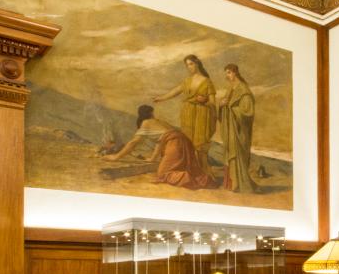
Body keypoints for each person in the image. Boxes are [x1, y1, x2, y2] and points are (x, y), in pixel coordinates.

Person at [103, 105, 214, 189]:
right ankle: (198, 178)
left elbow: (133, 142)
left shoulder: (146, 123)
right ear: (151, 113)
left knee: (163, 173)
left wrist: (116, 157)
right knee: (178, 167)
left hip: (174, 143)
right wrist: (153, 159)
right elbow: (160, 142)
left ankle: (187, 178)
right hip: (185, 142)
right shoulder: (158, 122)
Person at [153, 55, 217, 174]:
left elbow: (213, 102)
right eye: (187, 65)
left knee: (200, 146)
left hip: (201, 115)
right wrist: (160, 98)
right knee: (188, 144)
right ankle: (192, 172)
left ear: (197, 63)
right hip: (187, 114)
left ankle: (205, 173)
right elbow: (175, 91)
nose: (189, 67)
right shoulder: (187, 81)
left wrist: (205, 101)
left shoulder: (207, 82)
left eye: (191, 64)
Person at [218, 63, 257, 193]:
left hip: (238, 130)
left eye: (229, 72)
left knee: (237, 154)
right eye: (226, 73)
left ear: (235, 72)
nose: (227, 75)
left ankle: (238, 184)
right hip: (230, 129)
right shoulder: (231, 88)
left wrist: (230, 107)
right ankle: (231, 184)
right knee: (229, 152)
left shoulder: (244, 90)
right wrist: (222, 104)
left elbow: (248, 111)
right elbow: (226, 103)